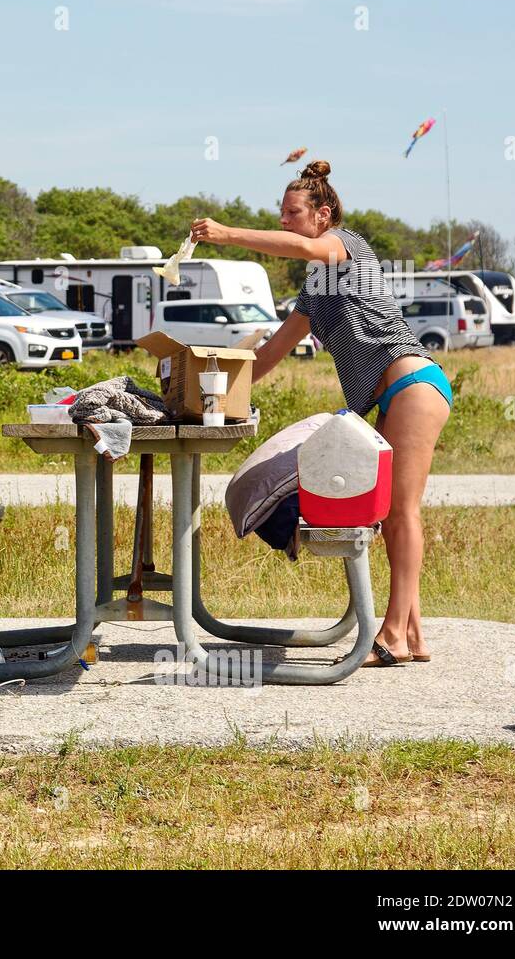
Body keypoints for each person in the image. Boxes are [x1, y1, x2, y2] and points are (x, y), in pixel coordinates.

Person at [191, 160, 452, 667]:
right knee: (385, 516)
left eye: (292, 213)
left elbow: (310, 248)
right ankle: (414, 636)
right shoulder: (316, 288)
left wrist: (227, 235)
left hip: (414, 385)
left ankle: (394, 633)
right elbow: (273, 351)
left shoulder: (344, 246)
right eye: (281, 213)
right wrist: (218, 397)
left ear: (322, 214)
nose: (285, 221)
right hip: (389, 396)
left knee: (401, 513)